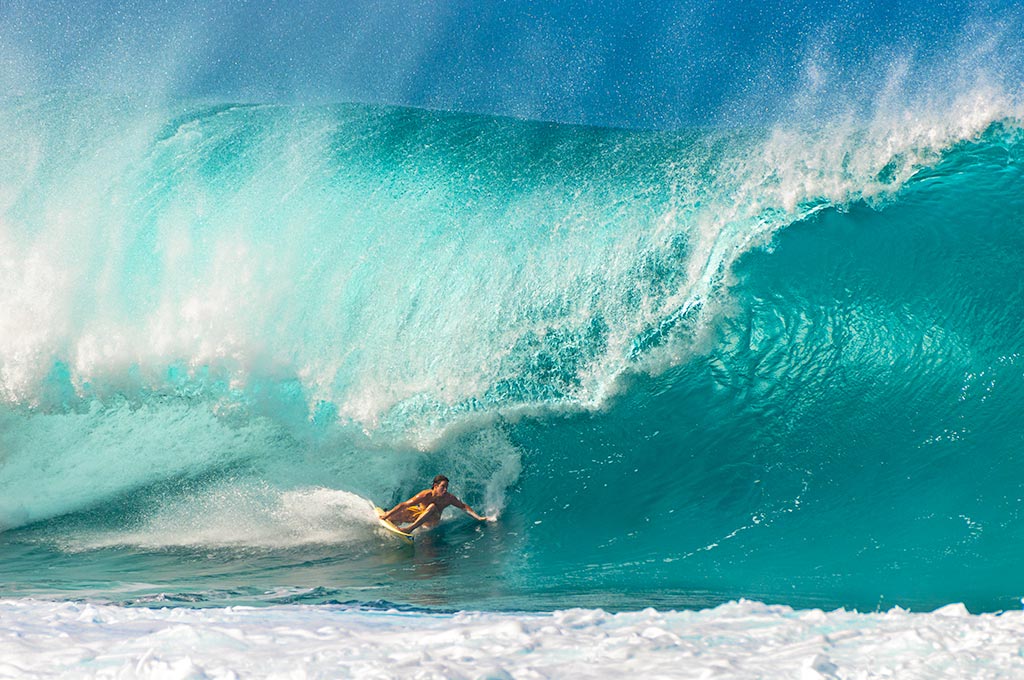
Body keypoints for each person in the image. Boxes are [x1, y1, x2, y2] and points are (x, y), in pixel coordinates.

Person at [381, 475, 492, 533]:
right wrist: (388, 515)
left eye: (446, 487)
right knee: (401, 512)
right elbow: (405, 504)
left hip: (432, 521)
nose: (445, 490)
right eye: (443, 487)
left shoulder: (448, 498)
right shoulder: (425, 495)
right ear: (435, 485)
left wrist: (478, 517)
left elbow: (463, 506)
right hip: (420, 515)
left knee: (432, 507)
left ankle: (410, 529)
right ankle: (393, 520)